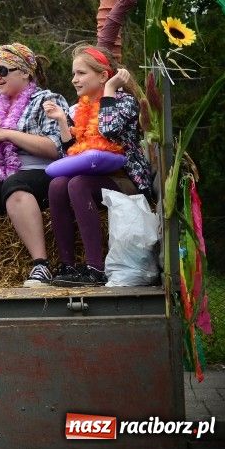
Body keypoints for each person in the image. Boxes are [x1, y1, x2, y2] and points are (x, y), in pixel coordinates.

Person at [0, 43, 70, 289]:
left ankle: (41, 264)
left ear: (25, 72)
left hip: (41, 174)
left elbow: (55, 148)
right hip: (0, 174)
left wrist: (7, 134)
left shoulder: (46, 100)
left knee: (16, 184)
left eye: (3, 69)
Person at [43, 45, 155, 287]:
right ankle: (68, 265)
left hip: (125, 179)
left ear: (103, 76)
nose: (74, 80)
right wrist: (63, 121)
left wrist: (111, 90)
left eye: (81, 73)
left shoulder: (125, 102)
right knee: (58, 184)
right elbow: (72, 152)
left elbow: (109, 129)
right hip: (94, 177)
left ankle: (95, 268)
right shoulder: (79, 109)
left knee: (78, 185)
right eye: (74, 74)